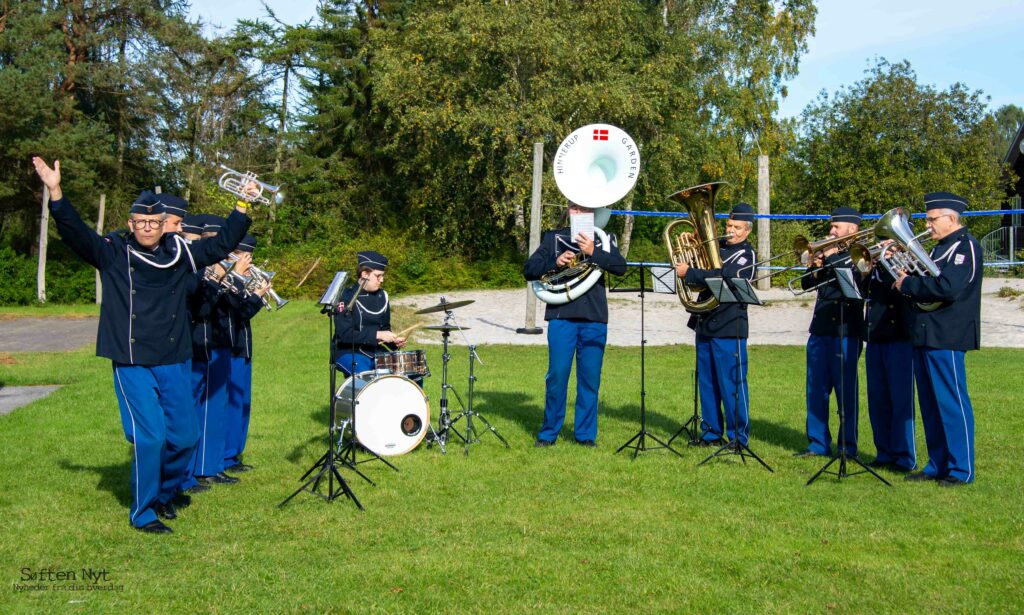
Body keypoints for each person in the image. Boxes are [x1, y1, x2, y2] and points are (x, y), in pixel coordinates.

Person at [32, 157, 251, 534]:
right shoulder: (113, 252)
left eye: (154, 222)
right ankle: (144, 511)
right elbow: (75, 233)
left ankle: (165, 491)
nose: (147, 228)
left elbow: (221, 246)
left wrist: (242, 205)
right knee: (150, 437)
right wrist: (56, 192)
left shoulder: (180, 253)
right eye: (140, 222)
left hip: (174, 357)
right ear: (131, 224)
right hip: (132, 360)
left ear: (163, 225)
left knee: (185, 436)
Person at [894, 192, 982, 486]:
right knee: (930, 403)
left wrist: (909, 282)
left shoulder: (965, 247)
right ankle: (937, 463)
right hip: (925, 332)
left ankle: (961, 470)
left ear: (950, 218)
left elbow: (947, 287)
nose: (928, 225)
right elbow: (929, 282)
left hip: (948, 335)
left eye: (932, 219)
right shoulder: (937, 249)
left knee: (951, 403)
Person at [523, 202, 627, 447]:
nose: (580, 213)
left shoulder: (605, 238)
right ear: (570, 211)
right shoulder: (554, 237)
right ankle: (549, 434)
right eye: (576, 209)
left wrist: (593, 251)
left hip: (594, 317)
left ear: (593, 212)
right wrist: (555, 262)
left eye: (585, 209)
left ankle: (585, 435)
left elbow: (621, 268)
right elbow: (529, 270)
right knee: (557, 377)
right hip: (562, 316)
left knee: (590, 379)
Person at [673, 203, 757, 447]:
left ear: (747, 231)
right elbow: (706, 267)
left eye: (737, 227)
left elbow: (725, 277)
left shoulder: (746, 254)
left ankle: (738, 438)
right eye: (729, 225)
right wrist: (693, 240)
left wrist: (690, 273)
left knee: (731, 385)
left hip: (731, 327)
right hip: (705, 322)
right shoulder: (715, 248)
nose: (730, 230)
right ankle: (711, 434)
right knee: (707, 383)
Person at [795, 207, 865, 459]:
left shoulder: (860, 254)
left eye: (837, 227)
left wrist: (831, 256)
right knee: (816, 389)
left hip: (846, 331)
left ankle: (848, 447)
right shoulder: (827, 255)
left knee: (846, 392)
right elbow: (804, 284)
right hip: (820, 329)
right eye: (831, 226)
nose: (831, 231)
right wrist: (815, 266)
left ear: (852, 230)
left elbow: (857, 281)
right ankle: (817, 443)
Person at [862, 255, 917, 472]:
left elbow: (904, 289)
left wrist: (888, 264)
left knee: (900, 399)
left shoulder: (911, 262)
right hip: (876, 334)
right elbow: (861, 291)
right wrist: (866, 271)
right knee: (878, 398)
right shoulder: (876, 264)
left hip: (900, 335)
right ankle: (883, 452)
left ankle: (905, 457)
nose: (883, 246)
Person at [224, 235, 268, 473]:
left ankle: (234, 453)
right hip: (231, 346)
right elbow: (238, 312)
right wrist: (257, 296)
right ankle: (226, 455)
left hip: (244, 345)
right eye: (246, 256)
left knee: (242, 403)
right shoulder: (228, 278)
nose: (249, 262)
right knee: (232, 403)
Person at [333, 251, 406, 376]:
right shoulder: (345, 297)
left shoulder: (383, 296)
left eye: (382, 276)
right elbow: (344, 334)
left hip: (375, 351)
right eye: (378, 276)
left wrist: (393, 341)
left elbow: (384, 328)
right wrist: (378, 334)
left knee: (408, 373)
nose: (382, 280)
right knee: (367, 376)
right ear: (364, 274)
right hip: (348, 351)